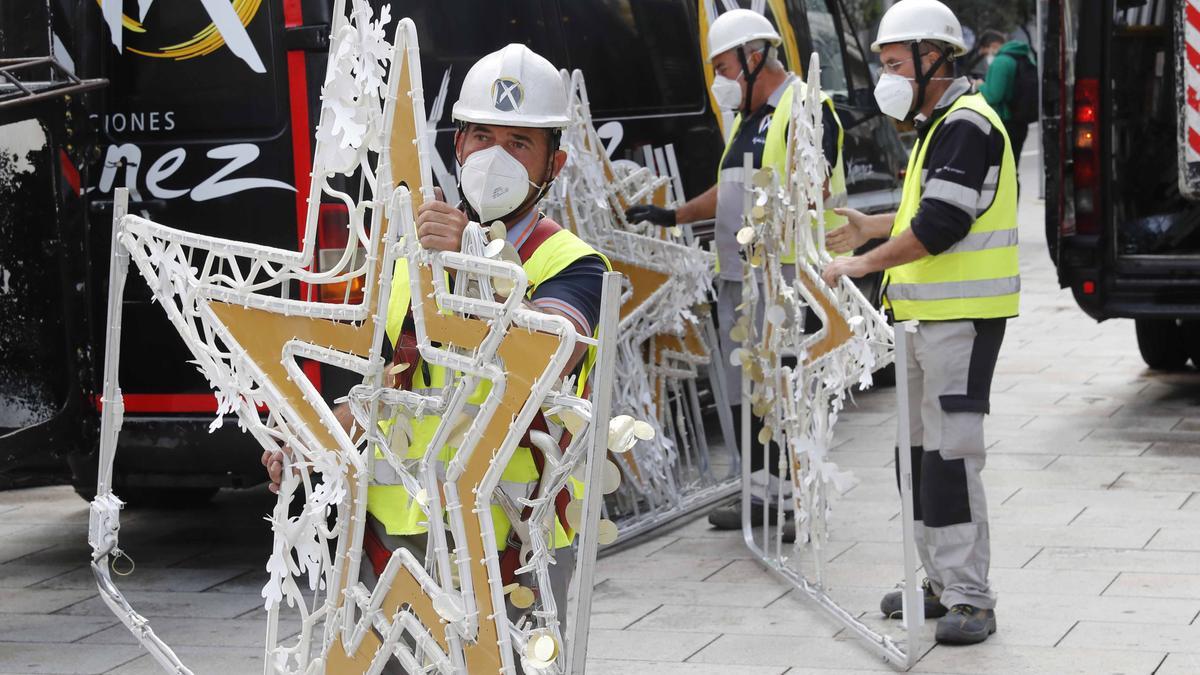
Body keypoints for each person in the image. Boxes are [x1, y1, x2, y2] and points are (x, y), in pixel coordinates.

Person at [262, 43, 608, 661]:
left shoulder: (576, 266)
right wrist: (311, 441)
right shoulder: (408, 262)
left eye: (519, 143)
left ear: (552, 164)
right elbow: (388, 382)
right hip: (391, 540)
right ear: (457, 145)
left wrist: (473, 260)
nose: (493, 156)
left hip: (511, 545)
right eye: (480, 135)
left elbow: (545, 350)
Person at [821, 0, 1019, 646]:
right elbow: (922, 209)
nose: (887, 77)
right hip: (921, 320)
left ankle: (970, 595)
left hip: (960, 323)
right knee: (916, 459)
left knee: (950, 458)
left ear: (935, 59)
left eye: (894, 63)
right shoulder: (937, 127)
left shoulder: (968, 125)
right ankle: (936, 578)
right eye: (883, 64)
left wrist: (862, 261)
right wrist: (872, 225)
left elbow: (940, 227)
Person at [623, 8, 848, 540]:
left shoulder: (807, 108)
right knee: (742, 392)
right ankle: (758, 498)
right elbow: (729, 190)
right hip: (740, 283)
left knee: (783, 389)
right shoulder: (749, 119)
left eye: (723, 68)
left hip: (785, 282)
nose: (719, 83)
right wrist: (672, 214)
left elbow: (809, 191)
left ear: (754, 58)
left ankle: (796, 502)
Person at [976, 31, 1038, 164]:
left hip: (1004, 122)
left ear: (993, 45)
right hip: (1021, 121)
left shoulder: (1001, 62)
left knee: (1000, 168)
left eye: (986, 52)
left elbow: (993, 96)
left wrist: (979, 85)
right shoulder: (1024, 57)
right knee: (1012, 165)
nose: (987, 56)